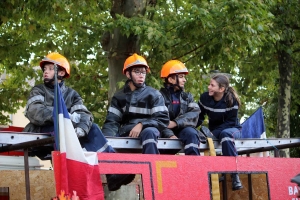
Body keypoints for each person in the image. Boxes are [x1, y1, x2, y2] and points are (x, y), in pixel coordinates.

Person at [23, 52, 134, 191]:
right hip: (42, 131)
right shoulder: (38, 90)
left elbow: (84, 114)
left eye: (50, 69)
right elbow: (35, 111)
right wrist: (63, 116)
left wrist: (81, 128)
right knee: (61, 128)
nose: (46, 72)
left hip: (68, 133)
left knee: (92, 128)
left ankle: (113, 172)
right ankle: (72, 180)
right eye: (45, 69)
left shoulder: (72, 94)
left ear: (61, 72)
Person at [102, 53, 169, 154]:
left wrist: (142, 124)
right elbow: (112, 122)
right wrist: (106, 140)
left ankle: (151, 167)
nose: (141, 75)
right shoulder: (119, 96)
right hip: (125, 132)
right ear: (128, 74)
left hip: (149, 131)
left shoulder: (154, 95)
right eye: (137, 72)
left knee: (149, 132)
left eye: (143, 72)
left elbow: (162, 120)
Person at [197, 73, 243, 191]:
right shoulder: (204, 98)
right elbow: (199, 117)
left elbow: (230, 122)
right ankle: (215, 174)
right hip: (214, 131)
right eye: (209, 84)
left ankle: (234, 175)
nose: (209, 87)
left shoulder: (232, 101)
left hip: (232, 129)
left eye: (212, 85)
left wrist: (213, 134)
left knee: (225, 135)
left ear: (221, 89)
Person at [159, 60, 203, 155]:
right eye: (181, 77)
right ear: (171, 79)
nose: (184, 80)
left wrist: (175, 123)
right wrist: (169, 134)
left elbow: (194, 114)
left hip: (182, 129)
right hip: (163, 132)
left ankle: (194, 166)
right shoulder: (158, 96)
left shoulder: (187, 97)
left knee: (191, 133)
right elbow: (157, 120)